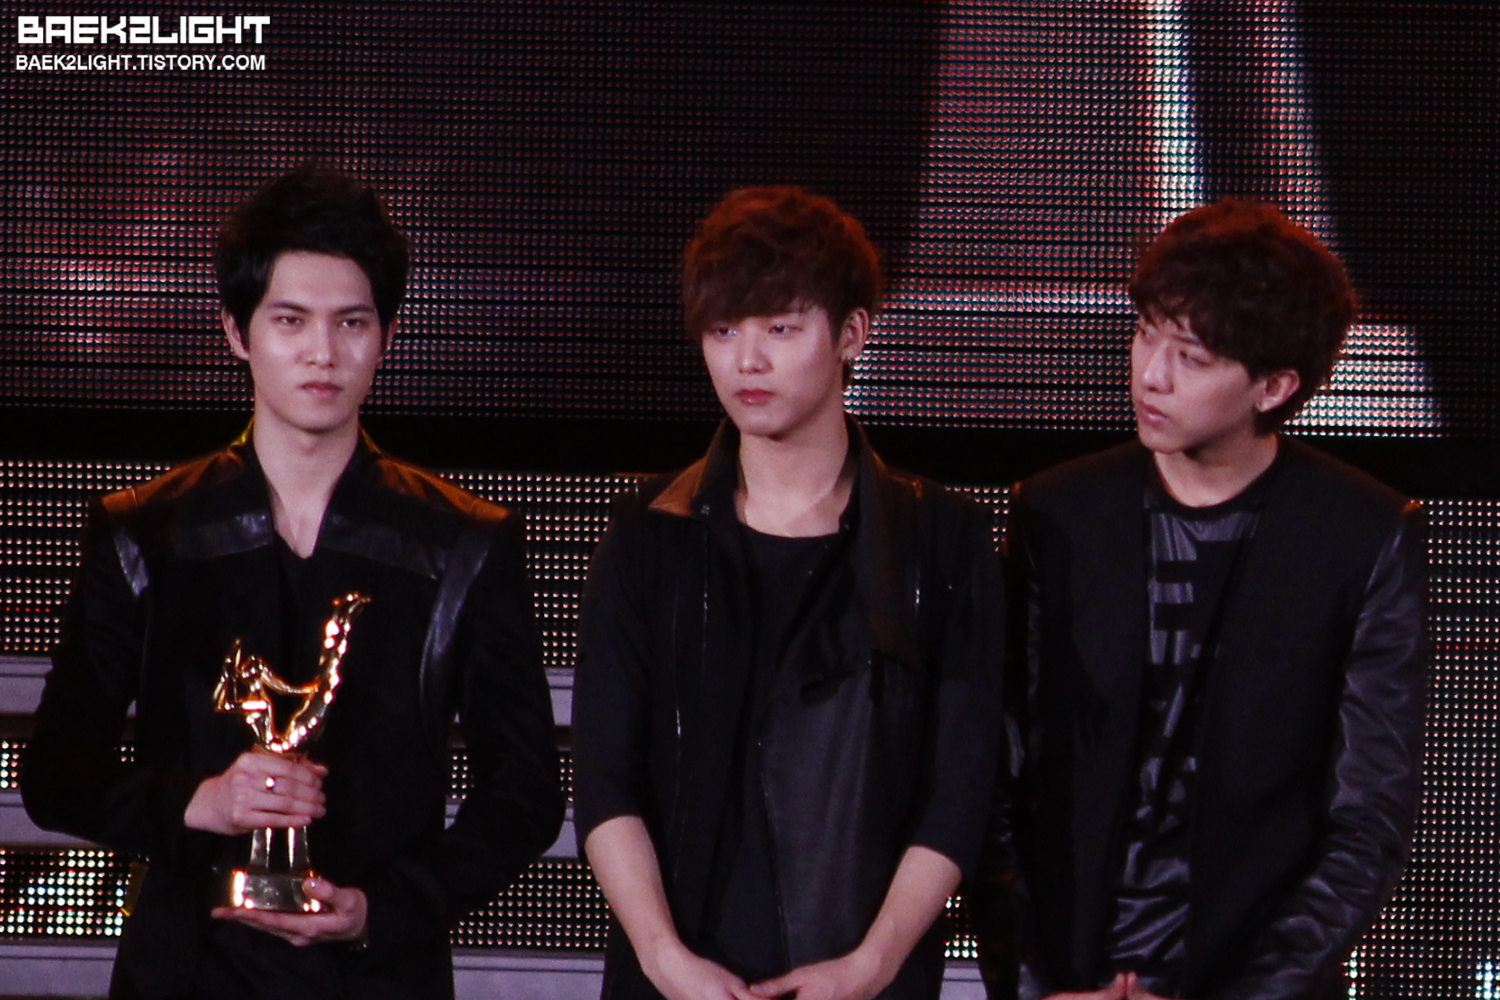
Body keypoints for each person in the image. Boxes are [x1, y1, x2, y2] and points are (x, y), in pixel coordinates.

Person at [22, 165, 564, 1000]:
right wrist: (199, 803)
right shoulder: (145, 534)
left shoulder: (464, 545)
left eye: (352, 322)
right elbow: (55, 773)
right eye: (290, 320)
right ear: (237, 332)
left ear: (387, 335)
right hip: (186, 974)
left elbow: (525, 794)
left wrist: (384, 907)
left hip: (381, 978)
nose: (323, 353)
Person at [973, 200, 1426, 1000]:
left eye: (1192, 356)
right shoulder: (1059, 512)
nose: (1151, 374)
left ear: (1274, 385)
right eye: (1146, 333)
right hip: (1071, 975)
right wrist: (1037, 985)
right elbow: (999, 775)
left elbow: (1366, 819)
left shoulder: (1361, 535)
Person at [573, 186, 1005, 1000]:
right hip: (676, 979)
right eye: (724, 330)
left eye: (780, 328)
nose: (747, 361)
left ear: (852, 333)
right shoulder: (649, 533)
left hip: (863, 979)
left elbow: (959, 788)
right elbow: (605, 774)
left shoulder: (941, 541)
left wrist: (870, 966)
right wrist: (664, 959)